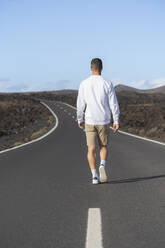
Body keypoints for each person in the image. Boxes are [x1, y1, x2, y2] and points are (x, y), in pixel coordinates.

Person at [76, 58, 120, 184]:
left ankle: (94, 175)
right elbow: (113, 104)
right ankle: (102, 165)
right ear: (102, 68)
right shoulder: (108, 83)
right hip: (104, 120)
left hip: (90, 120)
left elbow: (80, 104)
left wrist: (80, 118)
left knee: (91, 149)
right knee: (103, 146)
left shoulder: (84, 83)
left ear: (91, 68)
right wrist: (116, 119)